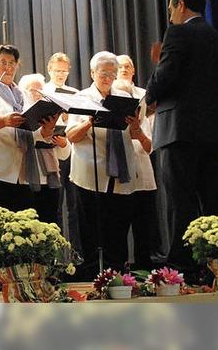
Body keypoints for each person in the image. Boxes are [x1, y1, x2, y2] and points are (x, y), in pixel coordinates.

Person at [145, 0, 218, 281]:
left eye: (170, 10)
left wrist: (151, 86)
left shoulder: (178, 34)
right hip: (214, 131)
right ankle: (217, 262)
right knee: (213, 198)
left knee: (180, 199)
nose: (170, 17)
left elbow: (166, 77)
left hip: (179, 130)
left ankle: (182, 267)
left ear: (181, 5)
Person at [0, 44, 55, 287]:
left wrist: (45, 131)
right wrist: (4, 121)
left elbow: (28, 133)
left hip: (19, 170)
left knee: (15, 227)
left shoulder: (22, 94)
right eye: (2, 62)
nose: (8, 67)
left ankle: (10, 275)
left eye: (12, 63)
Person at [66, 51, 138, 280]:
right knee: (90, 228)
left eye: (112, 73)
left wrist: (133, 123)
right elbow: (71, 136)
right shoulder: (81, 97)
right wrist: (89, 122)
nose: (107, 78)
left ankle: (117, 275)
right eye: (103, 73)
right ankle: (92, 276)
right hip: (90, 172)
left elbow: (135, 134)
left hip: (120, 173)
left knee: (118, 226)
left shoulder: (123, 96)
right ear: (92, 73)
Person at [115, 55, 159, 270]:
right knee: (119, 227)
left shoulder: (144, 98)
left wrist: (138, 132)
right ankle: (120, 271)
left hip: (143, 171)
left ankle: (145, 269)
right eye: (119, 66)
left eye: (127, 66)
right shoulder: (108, 98)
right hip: (118, 172)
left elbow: (151, 145)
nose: (123, 69)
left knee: (144, 226)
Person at [19, 73, 70, 225]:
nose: (37, 94)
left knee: (51, 221)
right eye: (32, 90)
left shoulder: (53, 116)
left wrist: (63, 143)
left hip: (50, 178)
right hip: (27, 177)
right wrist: (42, 135)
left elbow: (64, 154)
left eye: (40, 90)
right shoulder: (20, 113)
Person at [42, 52, 81, 253]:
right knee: (54, 205)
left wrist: (66, 119)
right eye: (57, 71)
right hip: (49, 152)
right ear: (49, 70)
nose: (61, 75)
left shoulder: (74, 93)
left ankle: (75, 253)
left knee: (74, 207)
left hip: (69, 150)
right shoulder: (42, 90)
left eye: (64, 71)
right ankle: (55, 253)